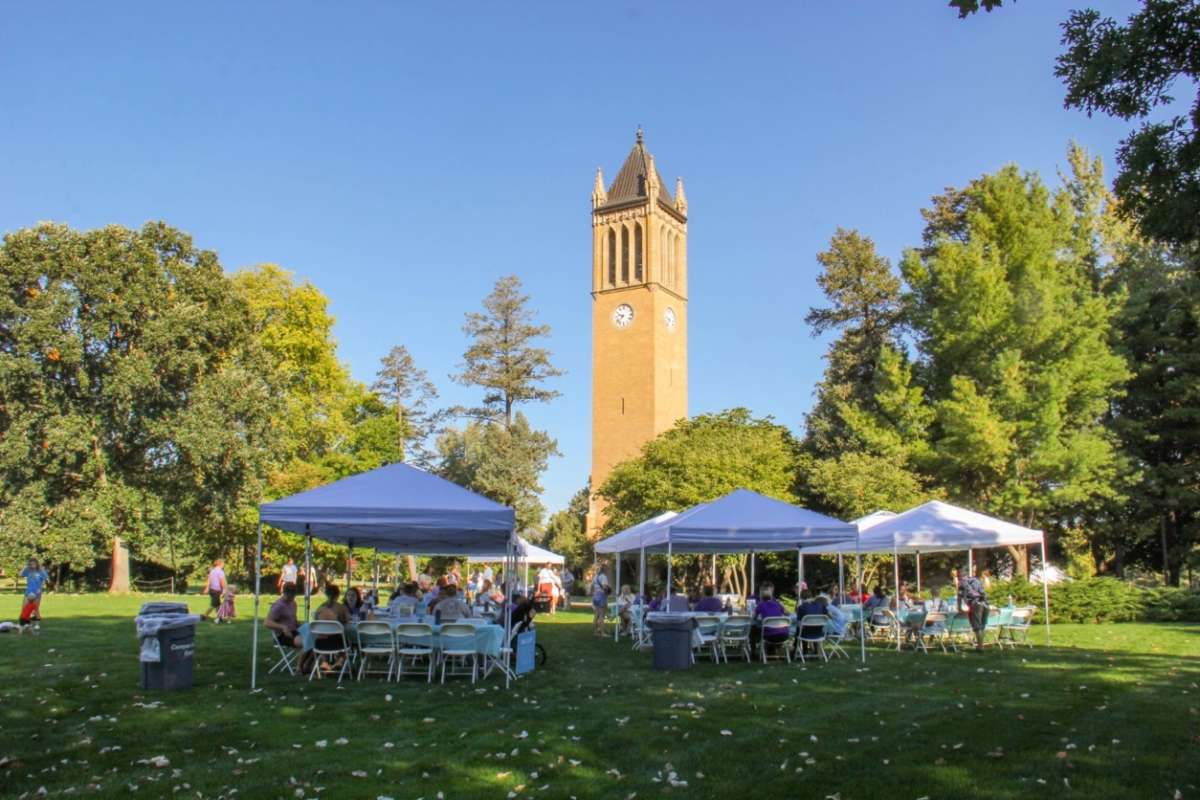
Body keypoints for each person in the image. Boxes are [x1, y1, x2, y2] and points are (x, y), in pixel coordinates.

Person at [956, 566, 989, 651]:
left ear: (960, 575)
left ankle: (980, 647)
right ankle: (980, 645)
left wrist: (959, 608)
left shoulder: (962, 583)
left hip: (975, 605)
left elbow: (959, 597)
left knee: (977, 627)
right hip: (985, 604)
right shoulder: (976, 580)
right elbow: (983, 592)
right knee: (982, 626)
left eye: (957, 575)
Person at [265, 584, 303, 653]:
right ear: (285, 593)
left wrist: (303, 627)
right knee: (307, 643)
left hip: (294, 632)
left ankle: (308, 663)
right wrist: (283, 627)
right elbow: (267, 623)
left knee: (316, 640)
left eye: (294, 594)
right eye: (291, 594)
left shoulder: (293, 603)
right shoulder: (278, 606)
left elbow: (294, 620)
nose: (293, 596)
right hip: (283, 636)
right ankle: (302, 664)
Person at [752, 582, 789, 650]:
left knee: (754, 630)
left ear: (762, 597)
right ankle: (772, 650)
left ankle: (753, 652)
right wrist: (782, 605)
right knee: (770, 630)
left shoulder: (760, 605)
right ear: (771, 596)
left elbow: (753, 617)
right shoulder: (778, 603)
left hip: (769, 636)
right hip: (784, 635)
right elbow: (788, 613)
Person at [19, 557, 49, 631]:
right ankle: (26, 624)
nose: (32, 565)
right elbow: (21, 574)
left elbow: (46, 580)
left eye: (34, 563)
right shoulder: (28, 570)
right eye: (31, 564)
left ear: (37, 564)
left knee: (35, 609)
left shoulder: (41, 571)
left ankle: (37, 624)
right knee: (24, 608)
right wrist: (25, 566)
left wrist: (41, 588)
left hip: (37, 592)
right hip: (28, 592)